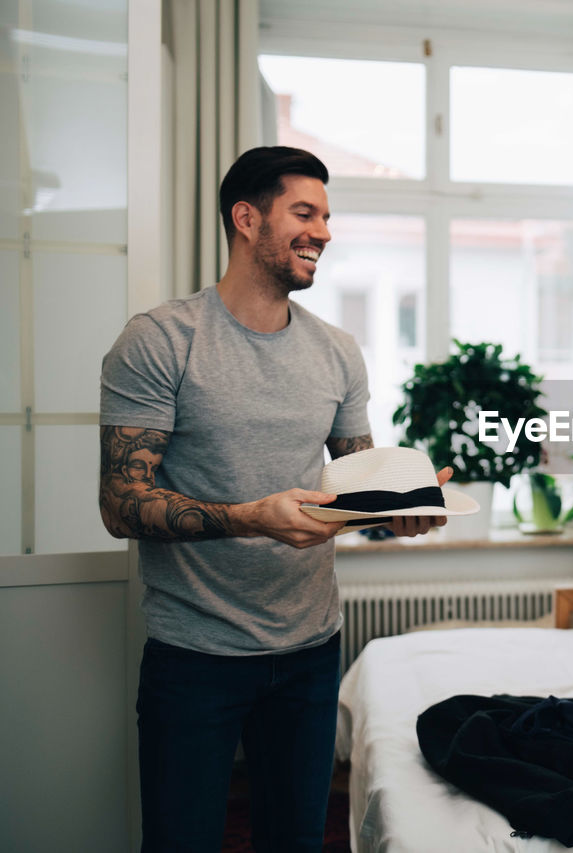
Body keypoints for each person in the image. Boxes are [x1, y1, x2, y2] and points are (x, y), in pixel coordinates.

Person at [99, 146, 449, 851]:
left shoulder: (338, 351)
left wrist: (405, 506)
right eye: (305, 212)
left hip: (310, 652)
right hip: (193, 654)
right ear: (246, 218)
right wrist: (249, 516)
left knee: (295, 839)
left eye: (326, 215)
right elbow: (121, 502)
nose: (323, 230)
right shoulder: (160, 340)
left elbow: (356, 481)